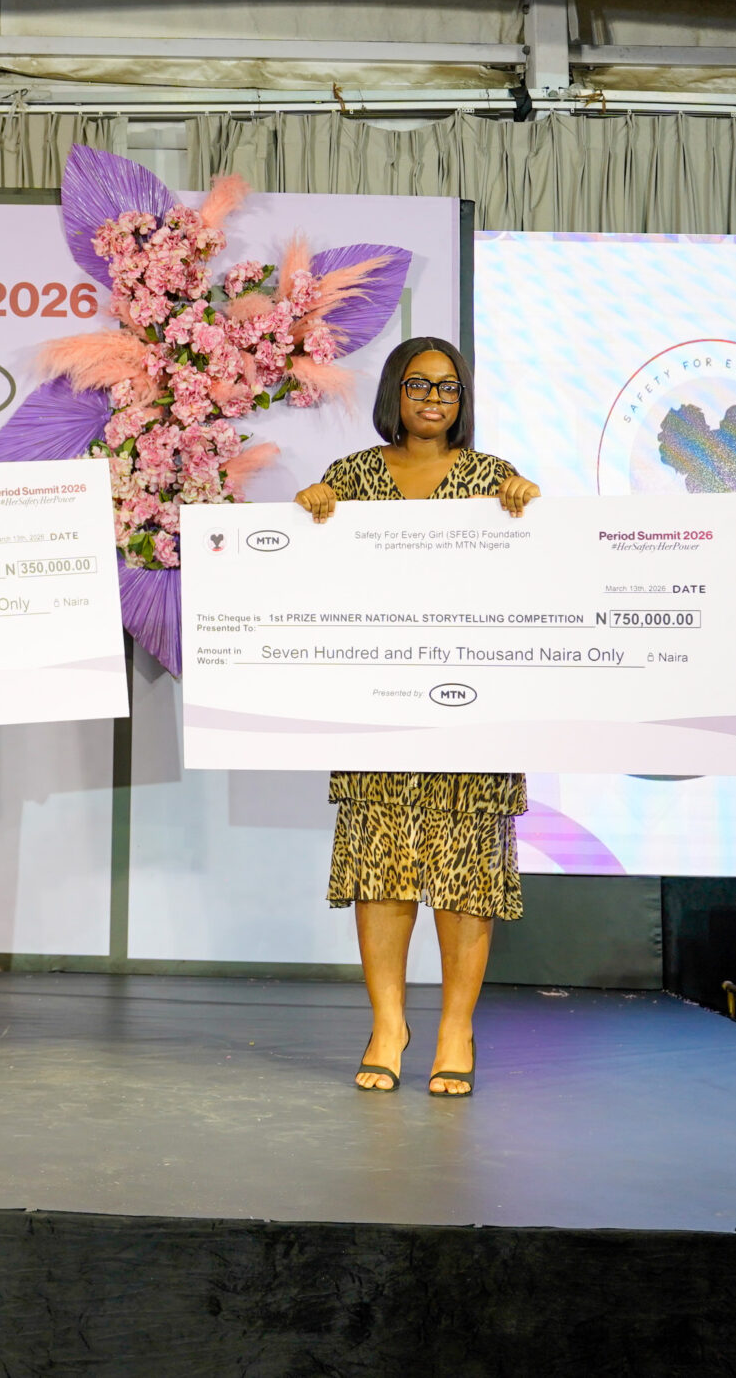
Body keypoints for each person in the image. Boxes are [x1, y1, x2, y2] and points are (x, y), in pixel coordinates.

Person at [295, 336, 540, 1098]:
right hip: (380, 709)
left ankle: (456, 1028)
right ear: (394, 394)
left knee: (467, 870)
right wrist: (311, 511)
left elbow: (539, 574)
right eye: (419, 384)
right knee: (382, 864)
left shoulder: (495, 478)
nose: (434, 398)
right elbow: (307, 572)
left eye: (447, 386)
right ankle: (388, 1025)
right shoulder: (351, 477)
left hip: (473, 709)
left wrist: (530, 514)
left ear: (463, 399)